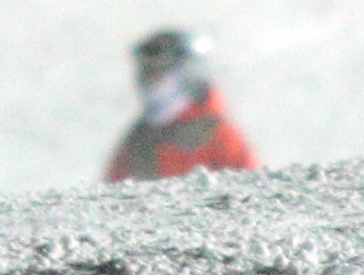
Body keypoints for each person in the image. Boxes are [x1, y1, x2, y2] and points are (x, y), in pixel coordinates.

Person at [105, 28, 258, 181]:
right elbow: (113, 193)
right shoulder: (141, 136)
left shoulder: (218, 135)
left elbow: (249, 192)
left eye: (158, 72)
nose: (149, 81)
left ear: (185, 74)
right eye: (146, 72)